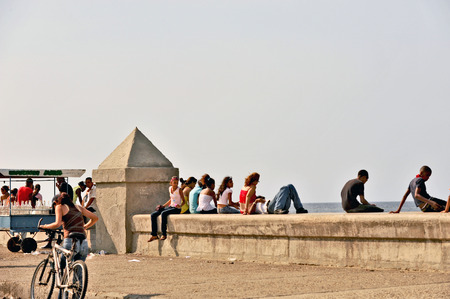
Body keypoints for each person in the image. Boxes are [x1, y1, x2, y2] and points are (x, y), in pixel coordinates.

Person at [38, 192, 97, 297]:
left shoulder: (59, 207)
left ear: (57, 201)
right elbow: (95, 218)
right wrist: (84, 227)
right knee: (78, 272)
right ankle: (77, 296)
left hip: (70, 240)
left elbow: (57, 224)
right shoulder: (78, 207)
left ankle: (62, 296)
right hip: (83, 241)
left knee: (62, 268)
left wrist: (45, 226)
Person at [148, 176, 185, 242]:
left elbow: (184, 201)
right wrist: (163, 206)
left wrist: (180, 205)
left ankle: (164, 234)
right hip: (171, 207)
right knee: (153, 214)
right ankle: (154, 235)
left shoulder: (179, 190)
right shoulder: (170, 188)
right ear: (171, 183)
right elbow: (171, 199)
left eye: (177, 183)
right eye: (174, 183)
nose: (176, 184)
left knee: (163, 213)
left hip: (176, 209)